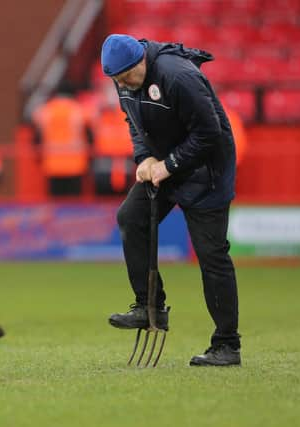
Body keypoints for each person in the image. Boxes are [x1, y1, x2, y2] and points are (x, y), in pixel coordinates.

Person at [101, 34, 241, 366]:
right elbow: (134, 123)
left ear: (142, 62)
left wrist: (170, 165)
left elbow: (211, 133)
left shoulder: (179, 76)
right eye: (117, 80)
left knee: (212, 257)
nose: (123, 85)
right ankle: (150, 308)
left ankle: (226, 346)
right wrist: (144, 158)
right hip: (165, 164)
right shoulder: (125, 79)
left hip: (207, 171)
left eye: (127, 77)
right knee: (130, 219)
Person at [31, 81, 92, 197]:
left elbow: (36, 138)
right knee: (74, 205)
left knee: (56, 205)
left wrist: (39, 157)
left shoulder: (45, 110)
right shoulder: (79, 110)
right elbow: (90, 137)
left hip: (52, 163)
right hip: (76, 164)